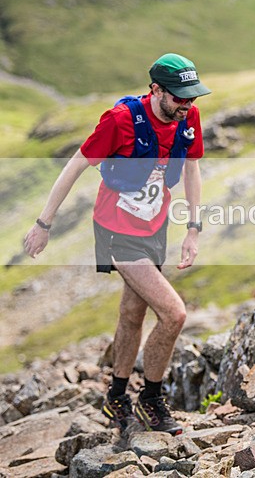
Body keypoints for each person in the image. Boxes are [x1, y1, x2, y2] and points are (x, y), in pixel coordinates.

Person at [23, 53, 211, 434]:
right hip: (117, 231)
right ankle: (151, 399)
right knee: (174, 314)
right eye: (178, 97)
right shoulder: (121, 121)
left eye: (191, 97)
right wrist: (44, 223)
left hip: (154, 226)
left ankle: (117, 395)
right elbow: (76, 164)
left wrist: (193, 228)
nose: (187, 104)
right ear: (155, 89)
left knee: (132, 314)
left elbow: (191, 166)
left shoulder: (186, 117)